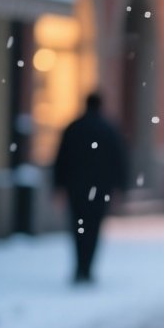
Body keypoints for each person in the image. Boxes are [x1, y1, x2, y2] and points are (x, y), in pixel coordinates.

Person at [51, 92, 128, 285]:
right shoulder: (109, 129)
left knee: (78, 228)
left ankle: (79, 267)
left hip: (76, 187)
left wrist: (59, 185)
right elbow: (118, 160)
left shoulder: (73, 128)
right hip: (100, 188)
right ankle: (88, 268)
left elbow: (61, 159)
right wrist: (119, 187)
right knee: (93, 228)